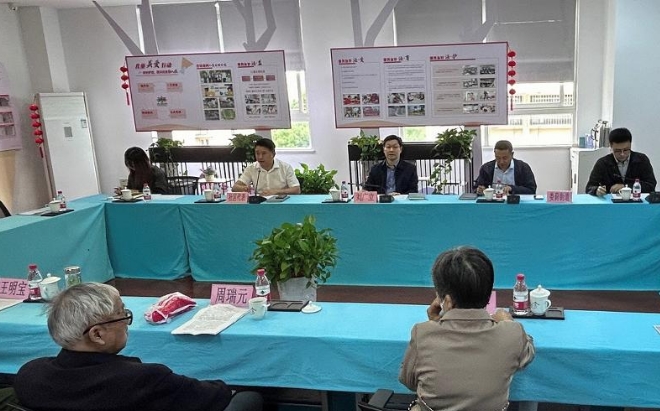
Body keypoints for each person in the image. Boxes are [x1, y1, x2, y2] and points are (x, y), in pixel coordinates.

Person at [13, 283, 263, 411]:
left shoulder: (29, 376)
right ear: (97, 334)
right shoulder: (143, 379)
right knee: (249, 398)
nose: (127, 321)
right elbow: (216, 395)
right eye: (122, 314)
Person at [399, 247, 535, 411]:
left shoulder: (422, 333)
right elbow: (527, 354)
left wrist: (436, 322)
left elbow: (409, 381)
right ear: (488, 294)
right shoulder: (512, 334)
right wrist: (508, 321)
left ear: (446, 301)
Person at [586, 127, 657, 196]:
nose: (622, 154)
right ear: (611, 147)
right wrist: (596, 190)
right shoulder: (602, 163)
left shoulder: (641, 160)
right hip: (610, 202)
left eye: (626, 150)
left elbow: (651, 185)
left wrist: (626, 187)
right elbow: (589, 187)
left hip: (636, 201)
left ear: (630, 145)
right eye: (617, 151)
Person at [232, 138, 300, 196]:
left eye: (264, 153)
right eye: (257, 153)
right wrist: (243, 188)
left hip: (281, 202)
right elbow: (235, 187)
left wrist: (277, 191)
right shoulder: (251, 168)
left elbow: (296, 189)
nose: (260, 157)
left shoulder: (285, 167)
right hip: (260, 203)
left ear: (273, 154)